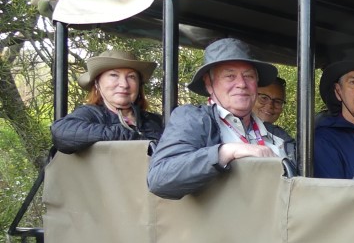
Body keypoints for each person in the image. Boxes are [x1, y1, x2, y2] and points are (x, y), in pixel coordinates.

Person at [147, 38, 285, 199]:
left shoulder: (276, 134)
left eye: (249, 76)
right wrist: (226, 152)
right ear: (209, 83)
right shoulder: (194, 119)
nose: (242, 84)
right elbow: (159, 179)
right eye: (230, 76)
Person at [51, 49, 163, 153]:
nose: (124, 84)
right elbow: (61, 133)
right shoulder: (91, 114)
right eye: (114, 75)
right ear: (97, 83)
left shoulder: (156, 121)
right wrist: (128, 135)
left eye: (131, 77)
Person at [253, 76, 295, 161]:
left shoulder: (283, 139)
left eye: (277, 102)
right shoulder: (234, 130)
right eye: (264, 98)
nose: (270, 105)